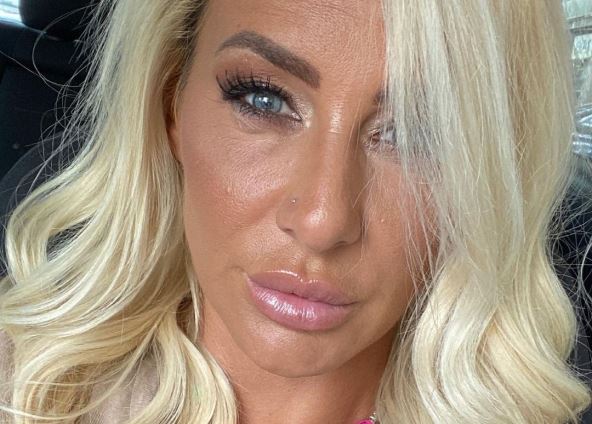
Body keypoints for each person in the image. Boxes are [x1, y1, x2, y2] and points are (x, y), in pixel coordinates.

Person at [1, 0, 591, 422]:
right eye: (262, 99)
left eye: (418, 132)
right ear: (170, 106)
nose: (322, 222)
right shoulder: (27, 389)